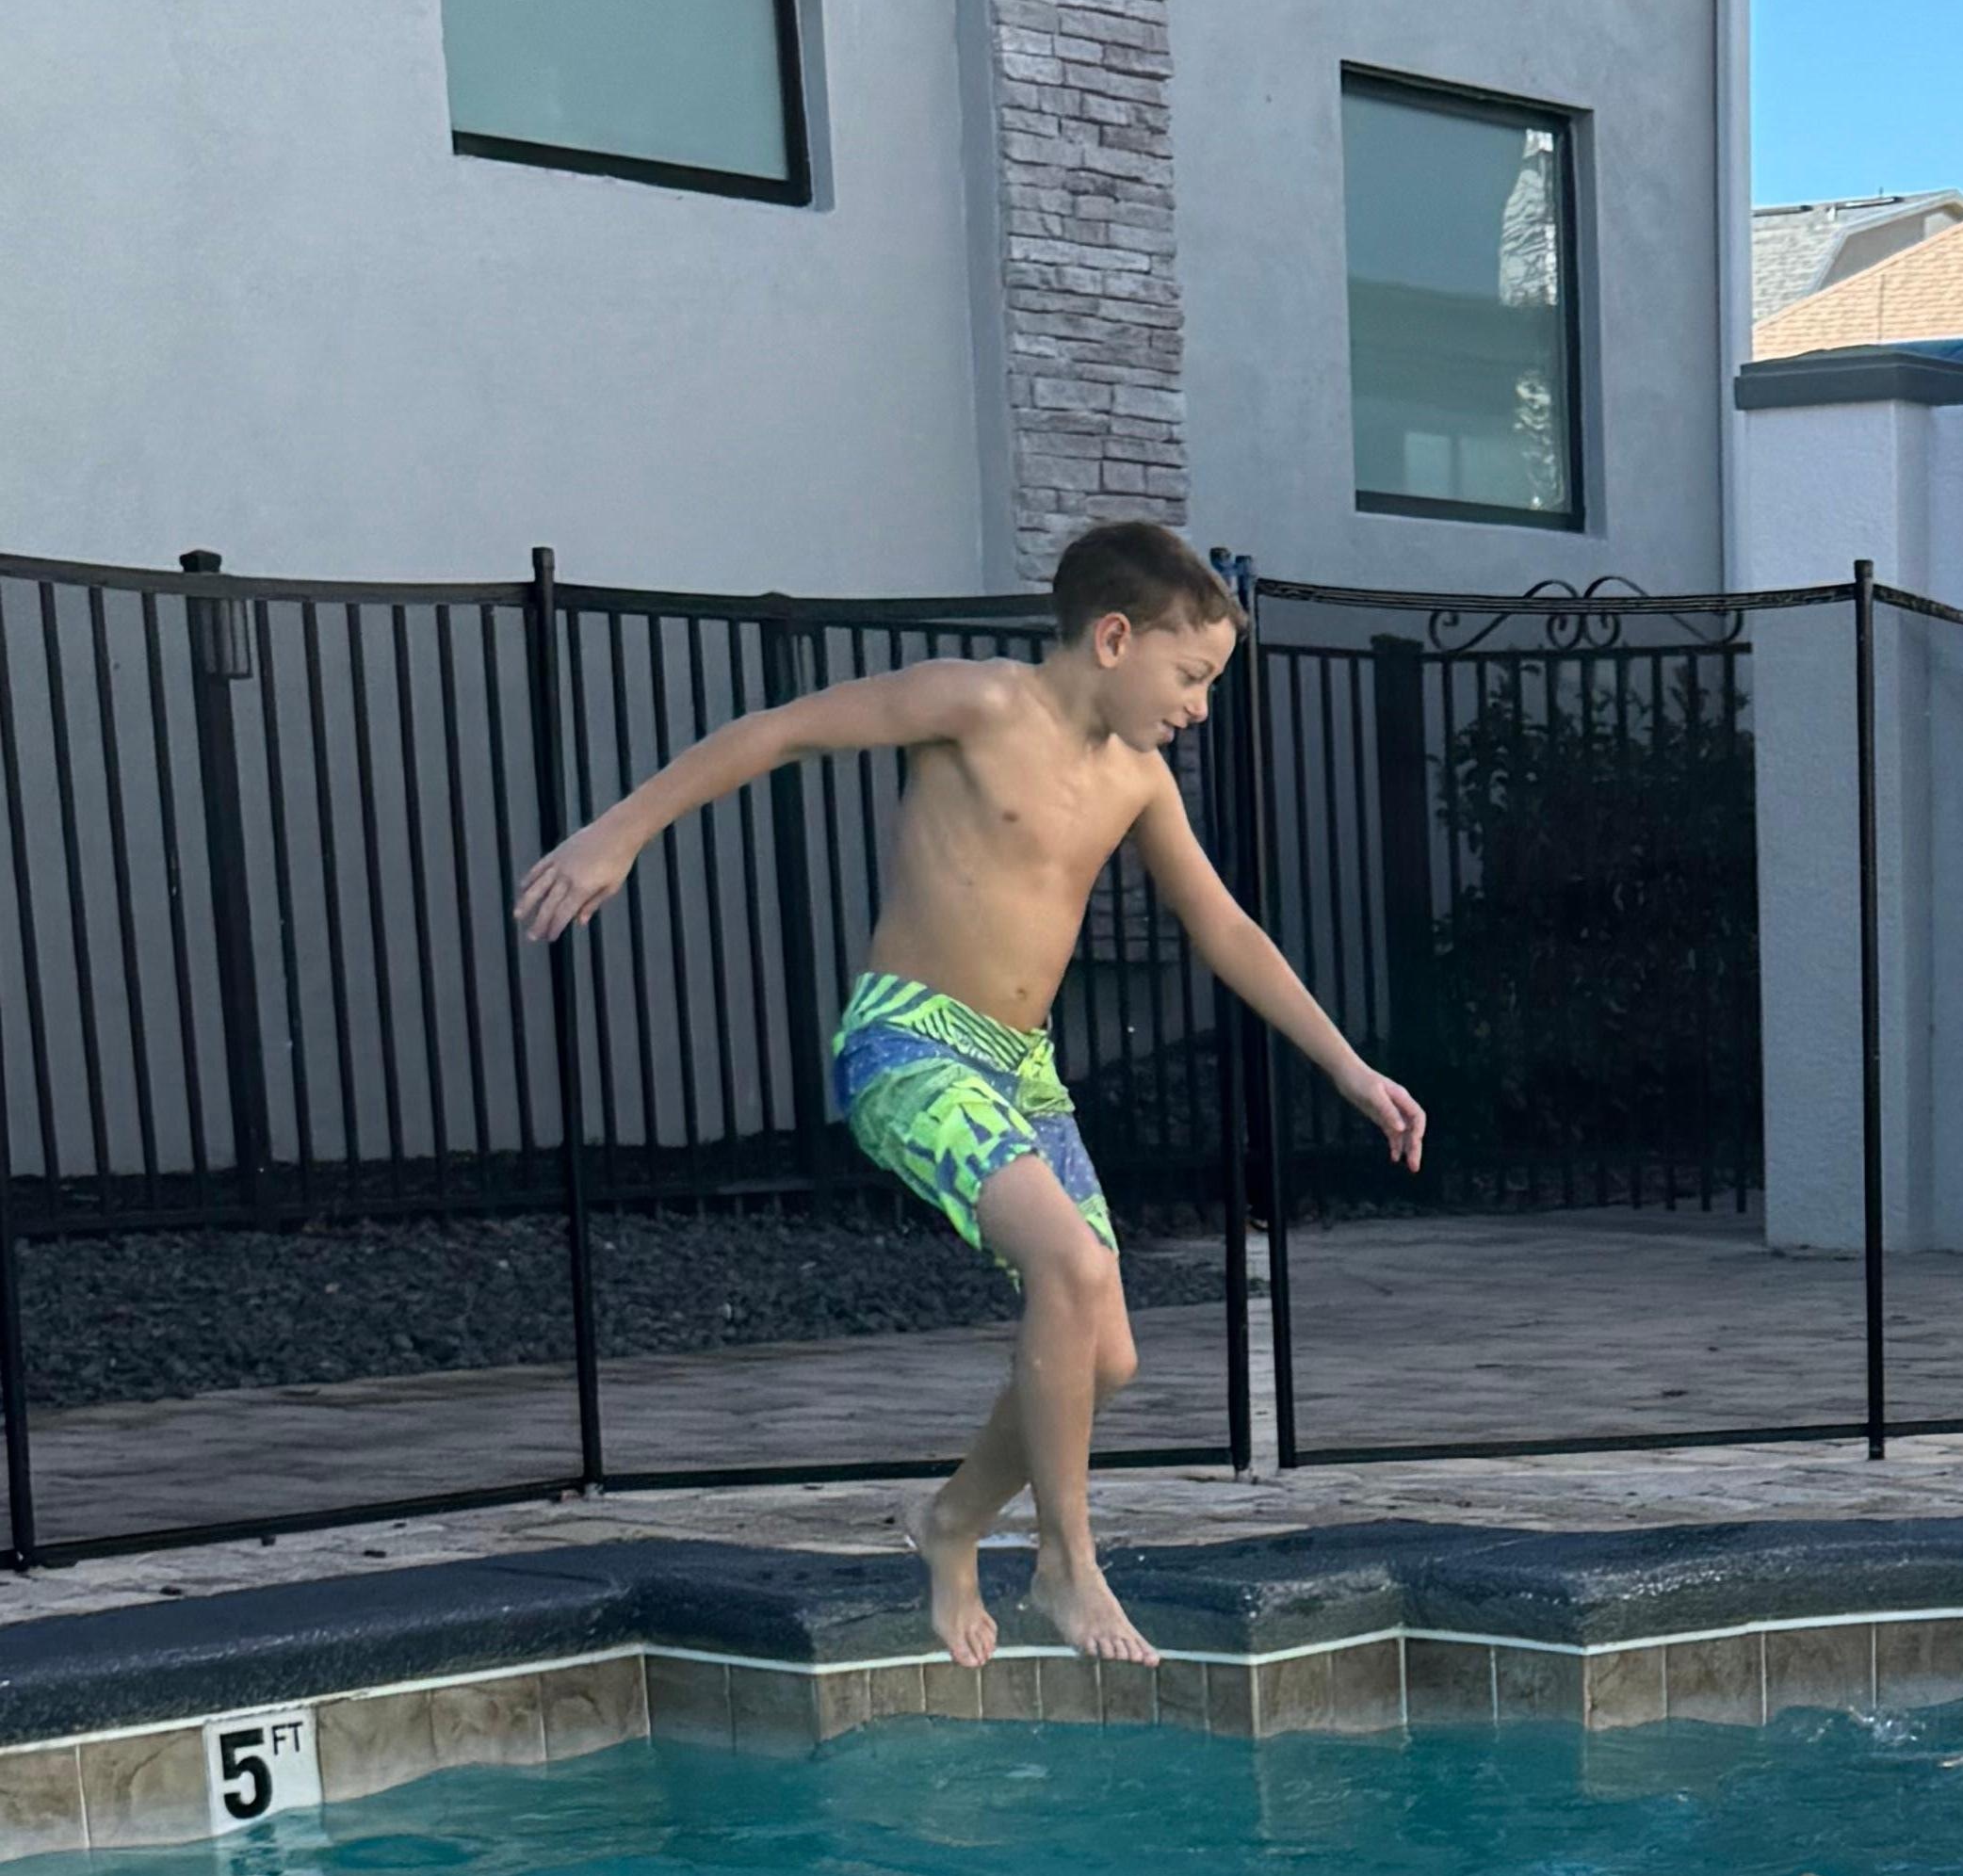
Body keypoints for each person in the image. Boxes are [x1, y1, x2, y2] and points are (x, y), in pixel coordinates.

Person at [514, 522, 1424, 1673]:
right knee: (1076, 1271)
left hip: (1021, 1069)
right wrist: (618, 833)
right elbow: (777, 732)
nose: (1200, 707)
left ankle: (949, 1524)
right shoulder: (976, 704)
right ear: (1112, 637)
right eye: (1191, 677)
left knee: (1107, 1359)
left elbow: (1225, 928)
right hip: (909, 1045)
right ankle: (1066, 1560)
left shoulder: (1136, 781)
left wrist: (1350, 1067)